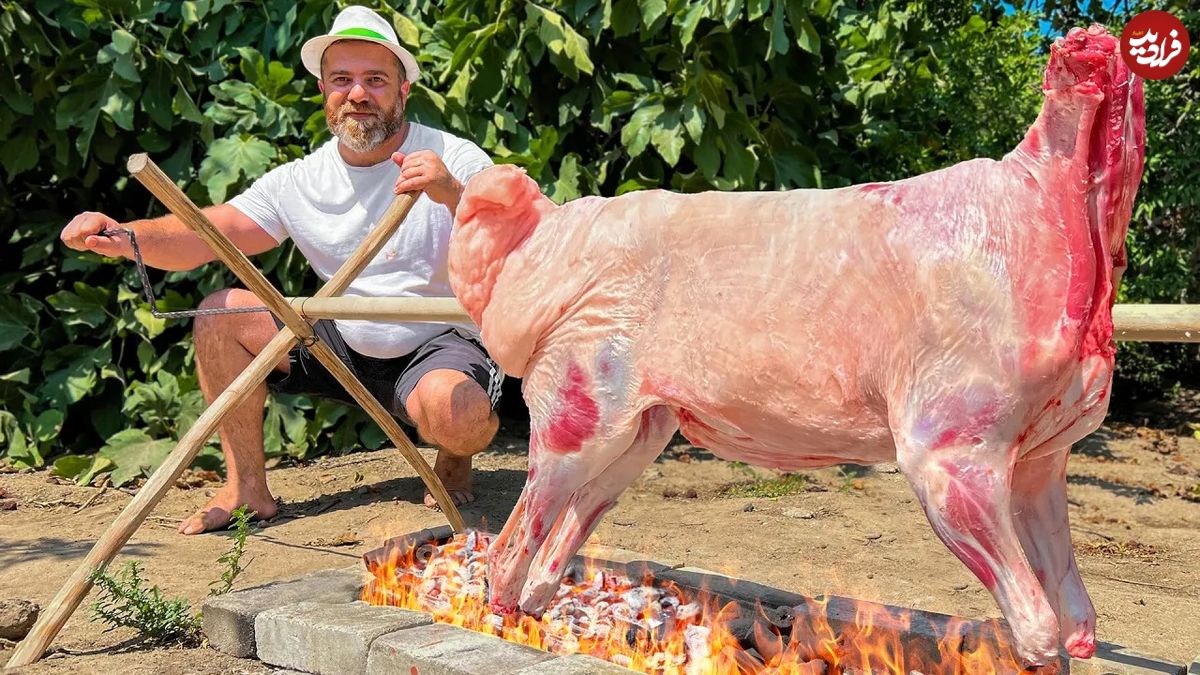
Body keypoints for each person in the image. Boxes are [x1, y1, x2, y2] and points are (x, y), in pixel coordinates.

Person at [59, 6, 503, 534]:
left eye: (375, 80)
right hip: (338, 340)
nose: (357, 93)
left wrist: (452, 193)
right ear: (324, 91)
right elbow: (210, 232)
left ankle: (453, 456)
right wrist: (127, 237)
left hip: (439, 339)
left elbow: (517, 236)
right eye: (342, 79)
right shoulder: (300, 180)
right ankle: (247, 488)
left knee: (461, 419)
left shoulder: (455, 157)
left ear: (403, 90)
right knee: (221, 312)